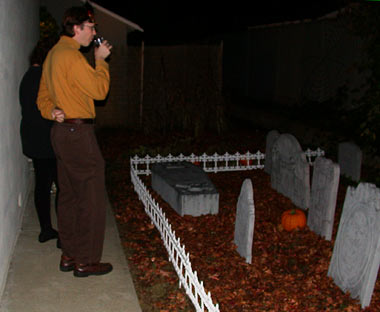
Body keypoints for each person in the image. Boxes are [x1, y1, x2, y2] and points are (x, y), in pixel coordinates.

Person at [37, 6, 113, 277]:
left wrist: (51, 112)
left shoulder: (52, 55)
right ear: (77, 28)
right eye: (90, 28)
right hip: (78, 135)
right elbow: (99, 90)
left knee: (68, 195)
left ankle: (69, 254)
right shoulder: (71, 55)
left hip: (60, 133)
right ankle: (87, 260)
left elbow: (42, 97)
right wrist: (101, 60)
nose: (94, 32)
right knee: (91, 196)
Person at [19, 36, 60, 247]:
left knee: (42, 186)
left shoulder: (28, 76)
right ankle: (62, 233)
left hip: (33, 139)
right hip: (47, 139)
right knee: (60, 186)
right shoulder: (42, 78)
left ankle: (46, 229)